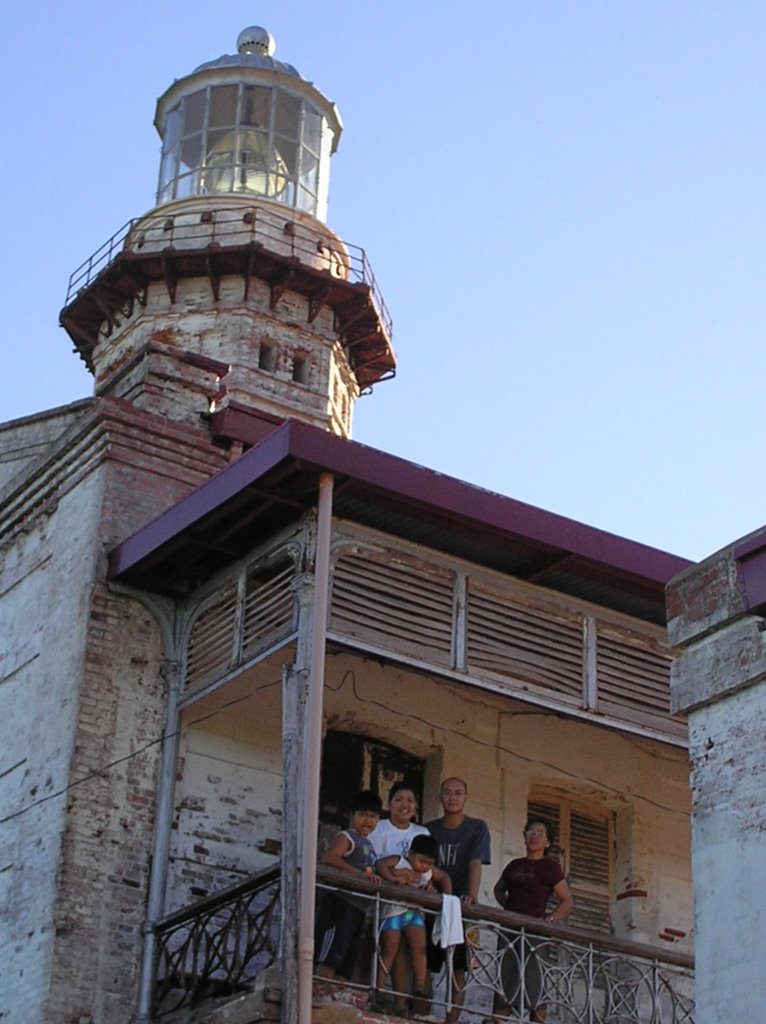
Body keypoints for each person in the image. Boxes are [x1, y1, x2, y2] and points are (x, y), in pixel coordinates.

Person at [492, 817, 574, 1023]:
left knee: (535, 982)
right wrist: (510, 910)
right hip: (509, 929)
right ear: (524, 836)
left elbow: (566, 901)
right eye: (530, 831)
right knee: (506, 978)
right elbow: (499, 889)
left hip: (536, 933)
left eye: (540, 833)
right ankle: (499, 1019)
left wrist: (550, 920)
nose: (534, 836)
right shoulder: (514, 865)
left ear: (548, 843)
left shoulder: (550, 867)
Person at [425, 776, 491, 1024]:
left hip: (463, 908)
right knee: (426, 961)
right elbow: (421, 863)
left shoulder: (477, 828)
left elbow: (476, 861)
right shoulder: (428, 829)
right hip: (432, 905)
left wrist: (471, 895)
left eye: (458, 792)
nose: (453, 797)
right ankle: (422, 1013)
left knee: (459, 966)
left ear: (466, 797)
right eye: (447, 792)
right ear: (439, 797)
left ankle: (451, 1019)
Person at [368, 781, 430, 1009]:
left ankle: (405, 1001)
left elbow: (430, 867)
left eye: (410, 800)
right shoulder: (380, 827)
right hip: (386, 902)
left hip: (413, 904)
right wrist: (396, 874)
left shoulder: (422, 832)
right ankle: (378, 991)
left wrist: (429, 883)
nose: (405, 805)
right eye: (399, 799)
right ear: (390, 803)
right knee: (387, 948)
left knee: (413, 948)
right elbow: (373, 861)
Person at [376, 833, 452, 1015]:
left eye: (429, 863)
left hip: (414, 914)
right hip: (393, 912)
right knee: (389, 950)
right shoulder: (399, 861)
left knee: (419, 946)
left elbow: (445, 878)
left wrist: (446, 898)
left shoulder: (428, 872)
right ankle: (378, 986)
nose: (424, 866)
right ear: (410, 854)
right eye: (421, 861)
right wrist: (391, 878)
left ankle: (419, 983)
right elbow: (379, 864)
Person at [314, 789, 383, 979]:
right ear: (352, 815)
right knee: (329, 957)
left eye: (373, 816)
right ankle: (317, 994)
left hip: (358, 907)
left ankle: (332, 1002)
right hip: (340, 903)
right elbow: (330, 858)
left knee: (344, 961)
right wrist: (359, 875)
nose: (367, 820)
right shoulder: (347, 837)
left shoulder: (368, 844)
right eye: (362, 815)